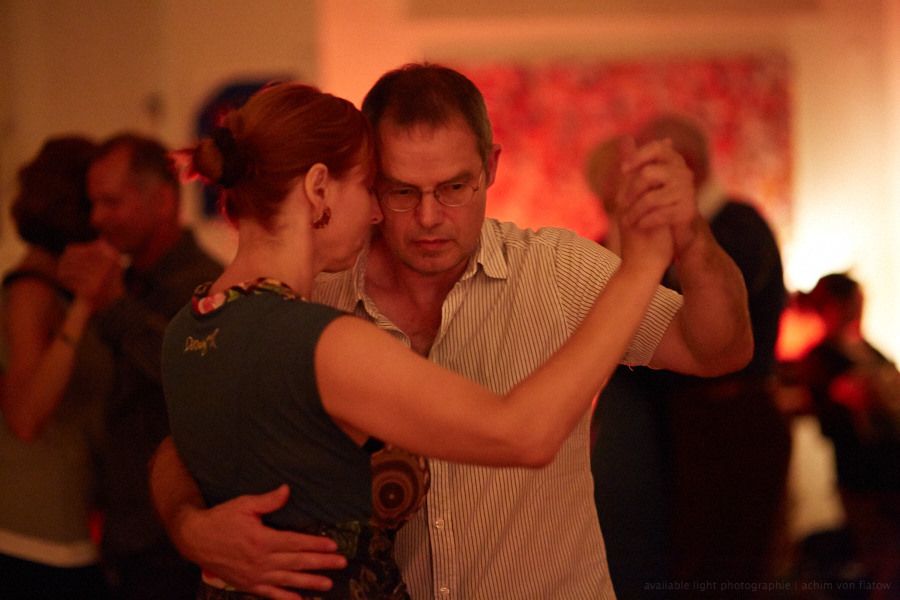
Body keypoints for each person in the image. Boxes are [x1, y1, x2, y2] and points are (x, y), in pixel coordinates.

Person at [151, 63, 752, 599]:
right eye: (398, 191)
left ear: (491, 168)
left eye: (454, 188)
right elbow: (193, 444)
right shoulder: (317, 303)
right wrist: (190, 525)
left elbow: (719, 350)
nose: (429, 217)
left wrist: (689, 235)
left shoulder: (556, 270)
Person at [58, 133, 222, 598]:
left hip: (173, 546)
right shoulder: (127, 281)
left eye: (111, 202)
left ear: (164, 201)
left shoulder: (207, 284)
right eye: (93, 203)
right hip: (125, 538)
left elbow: (196, 376)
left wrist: (113, 306)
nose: (96, 218)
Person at [634, 115, 792, 595]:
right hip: (695, 421)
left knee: (728, 566)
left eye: (646, 165)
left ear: (685, 166)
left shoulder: (739, 226)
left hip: (734, 418)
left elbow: (705, 322)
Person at [0, 136, 114, 598]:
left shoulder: (51, 289)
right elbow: (26, 415)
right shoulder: (32, 292)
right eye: (98, 202)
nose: (105, 217)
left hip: (59, 537)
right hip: (36, 543)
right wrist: (83, 307)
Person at [584, 135, 674, 598]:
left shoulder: (671, 239)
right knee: (628, 518)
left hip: (676, 404)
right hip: (630, 401)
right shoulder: (590, 257)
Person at [798, 273, 900, 596]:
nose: (858, 310)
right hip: (861, 468)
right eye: (852, 303)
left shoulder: (867, 349)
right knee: (877, 550)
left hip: (887, 461)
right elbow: (830, 418)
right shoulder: (821, 358)